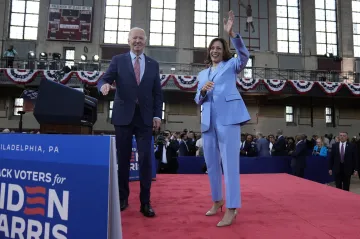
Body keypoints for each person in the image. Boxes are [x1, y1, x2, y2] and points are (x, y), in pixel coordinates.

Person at [97, 27, 162, 217]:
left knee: (145, 161)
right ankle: (123, 199)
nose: (138, 41)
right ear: (128, 40)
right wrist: (104, 86)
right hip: (123, 117)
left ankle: (145, 202)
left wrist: (157, 115)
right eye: (135, 38)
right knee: (123, 160)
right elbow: (103, 80)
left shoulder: (153, 64)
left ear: (145, 41)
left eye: (141, 38)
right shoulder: (118, 60)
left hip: (145, 119)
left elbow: (157, 93)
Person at [194, 10, 250, 227]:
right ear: (208, 52)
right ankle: (217, 200)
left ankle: (232, 207)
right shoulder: (202, 75)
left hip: (229, 119)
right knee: (211, 164)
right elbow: (197, 99)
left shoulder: (231, 65)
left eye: (219, 48)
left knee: (230, 163)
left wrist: (232, 34)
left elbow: (244, 56)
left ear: (223, 51)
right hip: (208, 122)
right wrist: (202, 92)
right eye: (212, 48)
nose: (215, 50)